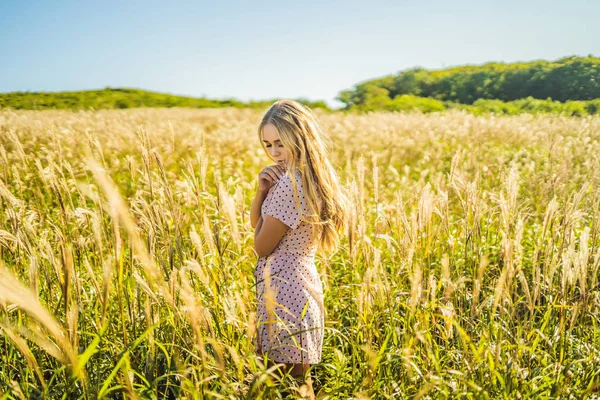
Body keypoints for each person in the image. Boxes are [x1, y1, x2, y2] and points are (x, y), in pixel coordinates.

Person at [250, 99, 349, 398]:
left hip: (283, 292)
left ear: (300, 138)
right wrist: (262, 192)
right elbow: (263, 225)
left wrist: (265, 195)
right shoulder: (310, 179)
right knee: (294, 385)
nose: (274, 153)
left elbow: (261, 245)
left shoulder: (289, 185)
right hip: (302, 285)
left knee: (281, 386)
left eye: (281, 143)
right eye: (268, 145)